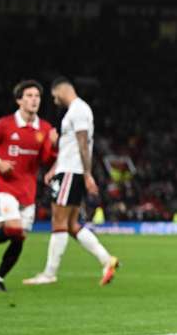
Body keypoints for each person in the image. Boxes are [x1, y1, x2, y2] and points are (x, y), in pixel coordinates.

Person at [23, 77, 119, 286]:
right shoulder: (76, 111)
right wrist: (54, 168)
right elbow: (71, 145)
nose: (54, 100)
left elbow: (83, 143)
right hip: (67, 170)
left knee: (58, 222)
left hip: (71, 172)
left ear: (60, 90)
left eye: (54, 96)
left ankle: (49, 273)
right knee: (72, 224)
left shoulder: (78, 110)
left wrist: (87, 174)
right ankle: (107, 260)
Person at [0, 80, 57, 292]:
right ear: (19, 100)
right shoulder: (5, 124)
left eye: (37, 96)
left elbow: (47, 158)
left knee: (19, 237)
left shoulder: (45, 129)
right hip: (5, 187)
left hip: (28, 192)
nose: (34, 100)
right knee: (13, 228)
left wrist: (54, 145)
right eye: (29, 96)